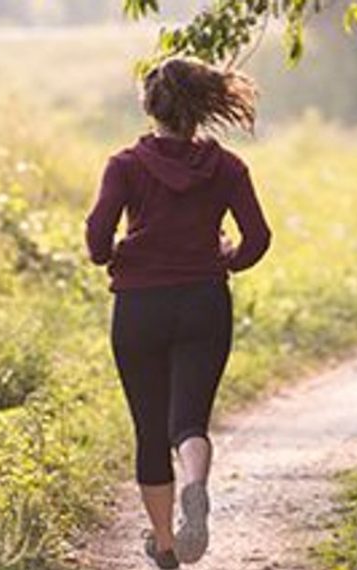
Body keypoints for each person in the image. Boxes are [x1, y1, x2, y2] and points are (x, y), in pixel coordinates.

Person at [84, 57, 271, 570]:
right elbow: (258, 237)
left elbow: (97, 239)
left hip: (139, 307)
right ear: (203, 106)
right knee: (189, 421)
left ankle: (166, 543)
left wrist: (114, 253)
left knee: (149, 429)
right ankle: (196, 485)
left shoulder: (124, 165)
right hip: (204, 302)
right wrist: (228, 258)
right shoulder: (228, 168)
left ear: (150, 106)